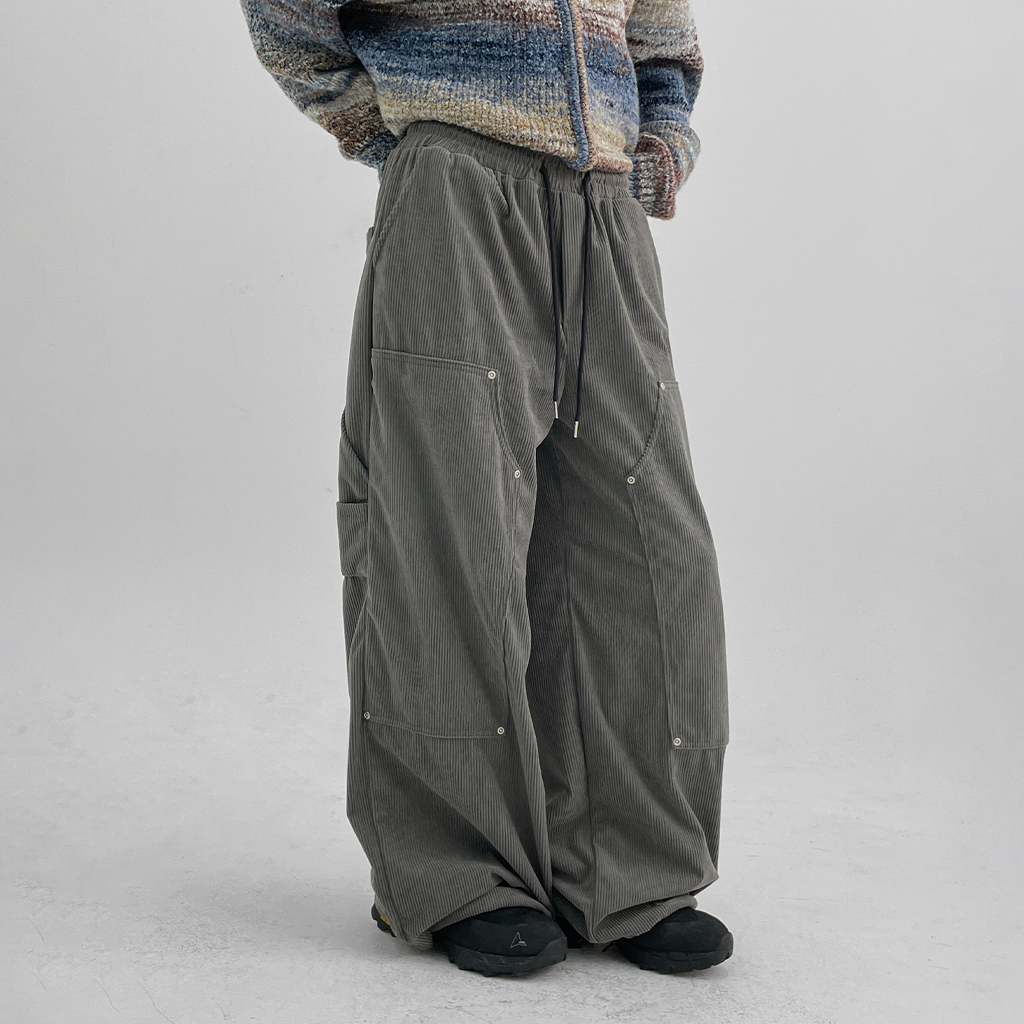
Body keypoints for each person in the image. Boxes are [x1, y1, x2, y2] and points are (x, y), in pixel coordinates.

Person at [240, 0, 732, 978]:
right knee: (446, 526)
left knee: (644, 542)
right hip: (456, 186)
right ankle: (459, 872)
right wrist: (401, 136)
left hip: (604, 203)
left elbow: (661, 39)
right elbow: (287, 15)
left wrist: (661, 142)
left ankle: (625, 868)